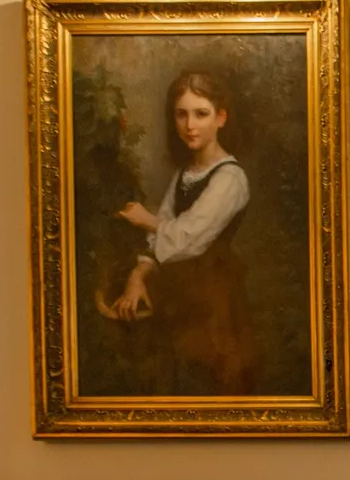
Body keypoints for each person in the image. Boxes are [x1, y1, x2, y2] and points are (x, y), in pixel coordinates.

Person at [111, 70, 258, 394]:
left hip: (212, 297)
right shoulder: (184, 173)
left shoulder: (230, 179)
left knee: (209, 379)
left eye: (201, 114)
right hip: (175, 289)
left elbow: (188, 238)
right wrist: (139, 274)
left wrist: (146, 219)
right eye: (182, 114)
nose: (190, 125)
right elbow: (160, 238)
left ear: (221, 118)